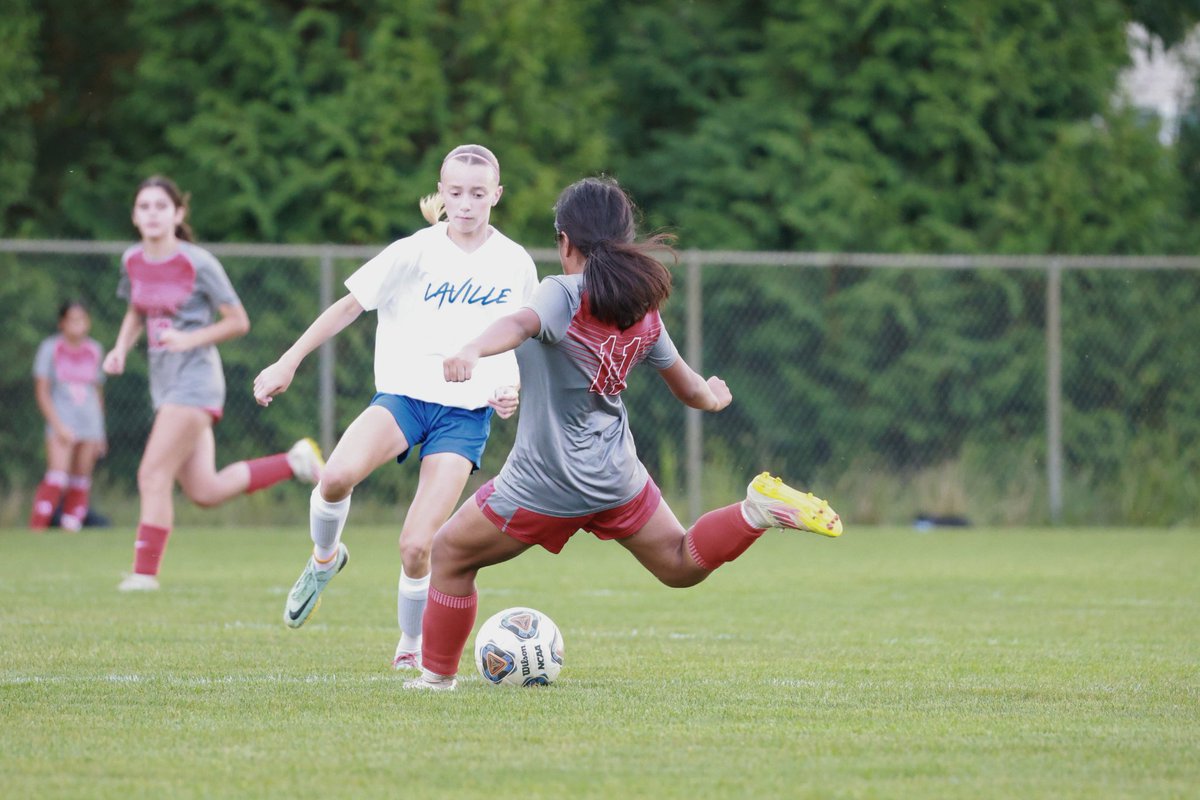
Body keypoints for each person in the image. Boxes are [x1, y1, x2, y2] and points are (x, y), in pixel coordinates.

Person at [405, 176, 844, 691]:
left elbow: (522, 323)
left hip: (546, 482)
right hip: (617, 477)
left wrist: (474, 349)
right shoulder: (642, 309)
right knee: (681, 563)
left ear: (565, 241)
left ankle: (434, 680)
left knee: (451, 556)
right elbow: (690, 390)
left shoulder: (563, 293)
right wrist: (714, 396)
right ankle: (753, 511)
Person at [253, 144, 538, 670]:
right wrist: (287, 362)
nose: (467, 204)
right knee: (334, 477)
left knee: (416, 546)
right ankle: (324, 558)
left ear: (497, 195)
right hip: (405, 398)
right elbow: (347, 306)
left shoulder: (515, 262)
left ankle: (410, 648)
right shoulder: (415, 250)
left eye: (478, 194)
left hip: (463, 416)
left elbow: (519, 337)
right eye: (455, 193)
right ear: (442, 190)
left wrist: (509, 390)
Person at [103, 175, 324, 592]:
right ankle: (294, 461)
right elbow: (137, 309)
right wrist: (119, 348)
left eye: (161, 206)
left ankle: (144, 576)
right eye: (144, 206)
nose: (152, 214)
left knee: (152, 474)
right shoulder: (132, 259)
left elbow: (238, 322)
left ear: (178, 213)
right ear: (134, 215)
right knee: (204, 490)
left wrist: (189, 339)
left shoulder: (198, 262)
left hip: (196, 383)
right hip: (164, 385)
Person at [30, 300, 107, 531]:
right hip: (62, 420)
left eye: (82, 319)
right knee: (58, 475)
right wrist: (57, 425)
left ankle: (70, 527)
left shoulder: (95, 350)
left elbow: (97, 391)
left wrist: (100, 433)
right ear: (62, 323)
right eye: (72, 319)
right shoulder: (50, 348)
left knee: (81, 478)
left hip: (90, 423)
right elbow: (42, 391)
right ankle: (38, 527)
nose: (77, 324)